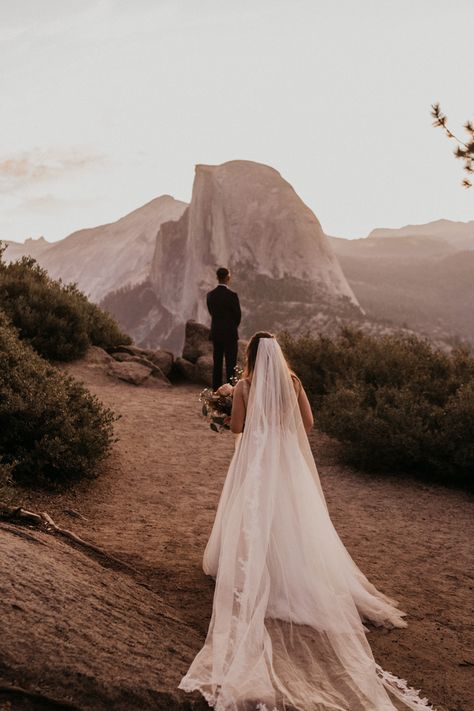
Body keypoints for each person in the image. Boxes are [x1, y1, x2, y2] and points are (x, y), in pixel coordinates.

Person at [179, 332, 434, 711]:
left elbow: (236, 429)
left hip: (258, 461)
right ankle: (296, 577)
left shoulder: (246, 386)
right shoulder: (294, 382)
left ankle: (258, 574)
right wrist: (281, 430)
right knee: (293, 518)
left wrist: (232, 407)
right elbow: (308, 424)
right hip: (288, 460)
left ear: (250, 356)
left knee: (254, 514)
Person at [206, 267, 241, 391]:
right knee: (231, 364)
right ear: (228, 278)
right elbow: (238, 315)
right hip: (230, 334)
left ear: (217, 277)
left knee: (217, 364)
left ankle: (216, 391)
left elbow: (211, 312)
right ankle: (231, 392)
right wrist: (231, 327)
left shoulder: (210, 295)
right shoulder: (232, 296)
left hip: (216, 333)